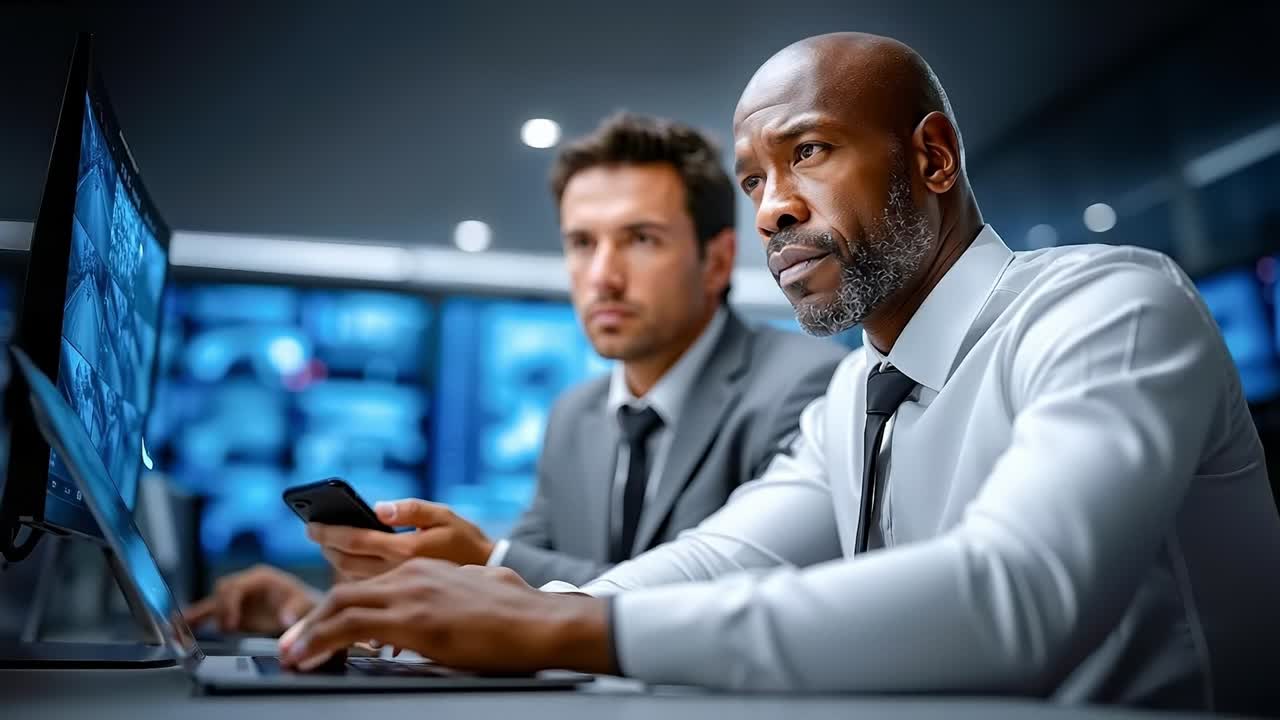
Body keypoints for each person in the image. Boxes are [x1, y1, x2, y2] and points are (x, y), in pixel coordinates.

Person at [274, 32, 1280, 714]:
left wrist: (570, 628)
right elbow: (718, 559)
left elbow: (1015, 592)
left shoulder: (1109, 306)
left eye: (808, 154)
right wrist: (512, 611)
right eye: (753, 179)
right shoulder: (858, 390)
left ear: (931, 159)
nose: (768, 210)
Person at [183, 113, 846, 635]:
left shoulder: (804, 385)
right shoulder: (575, 414)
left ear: (718, 261)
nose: (601, 276)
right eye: (582, 243)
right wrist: (324, 613)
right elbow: (509, 600)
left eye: (640, 239)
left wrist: (485, 558)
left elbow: (727, 594)